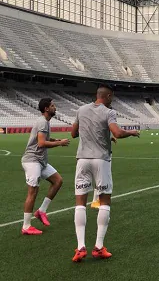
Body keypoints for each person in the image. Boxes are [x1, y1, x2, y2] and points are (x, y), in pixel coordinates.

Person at [70, 85, 140, 262]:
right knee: (104, 201)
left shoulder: (81, 109)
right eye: (112, 97)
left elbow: (73, 133)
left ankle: (80, 248)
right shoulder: (108, 112)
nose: (112, 100)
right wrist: (131, 132)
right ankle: (99, 247)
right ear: (107, 96)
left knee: (80, 202)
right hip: (101, 160)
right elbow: (117, 131)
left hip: (82, 160)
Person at [20, 98, 69, 235]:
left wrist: (56, 140)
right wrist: (60, 144)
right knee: (33, 191)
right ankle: (26, 226)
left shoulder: (45, 122)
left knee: (58, 180)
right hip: (32, 160)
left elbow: (45, 138)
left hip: (40, 161)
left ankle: (41, 211)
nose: (55, 107)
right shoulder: (42, 122)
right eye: (53, 105)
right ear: (46, 109)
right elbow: (41, 143)